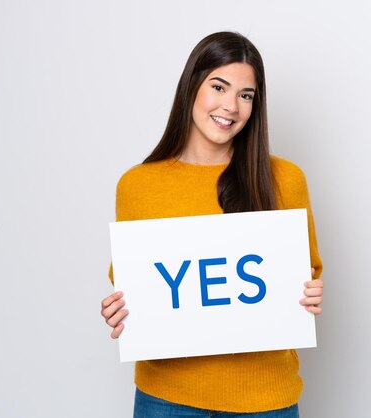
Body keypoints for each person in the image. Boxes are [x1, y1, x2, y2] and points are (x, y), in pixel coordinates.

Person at [100, 31, 324, 417]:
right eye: (218, 87)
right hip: (166, 397)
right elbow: (133, 286)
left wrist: (311, 294)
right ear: (192, 87)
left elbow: (306, 275)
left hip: (265, 397)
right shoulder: (137, 186)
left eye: (246, 95)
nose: (231, 106)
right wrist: (120, 310)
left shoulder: (285, 180)